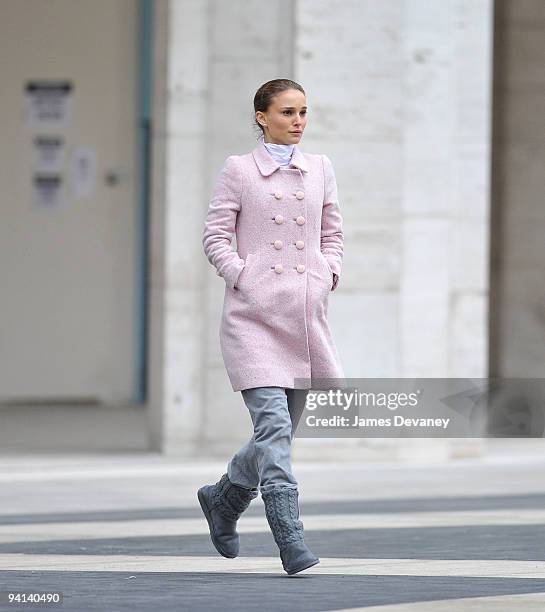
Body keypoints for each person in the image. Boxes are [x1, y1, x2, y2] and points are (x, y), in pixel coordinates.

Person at [199, 78, 344, 575]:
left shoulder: (321, 168)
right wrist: (244, 276)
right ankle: (290, 539)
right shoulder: (239, 170)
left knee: (276, 434)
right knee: (275, 427)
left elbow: (332, 231)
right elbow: (216, 234)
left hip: (304, 320)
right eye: (287, 112)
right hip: (253, 318)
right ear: (262, 116)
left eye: (303, 111)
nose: (298, 121)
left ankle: (224, 498)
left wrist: (330, 273)